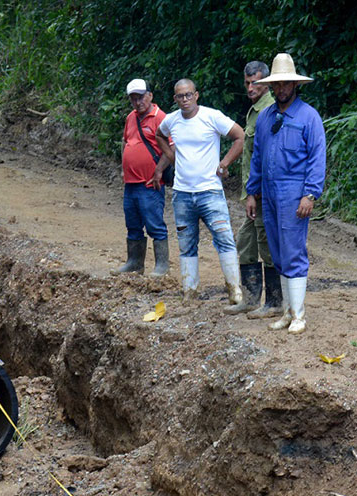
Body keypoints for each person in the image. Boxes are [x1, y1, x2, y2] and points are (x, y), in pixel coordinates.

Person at [245, 53, 326, 334]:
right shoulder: (266, 118)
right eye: (276, 85)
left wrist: (310, 195)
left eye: (286, 84)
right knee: (277, 251)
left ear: (295, 85)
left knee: (293, 250)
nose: (281, 89)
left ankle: (299, 315)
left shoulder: (308, 117)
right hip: (268, 191)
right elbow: (257, 157)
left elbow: (317, 159)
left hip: (294, 191)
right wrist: (251, 192)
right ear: (271, 87)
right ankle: (287, 312)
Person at [153, 78, 246, 306]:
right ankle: (189, 291)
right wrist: (174, 158)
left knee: (224, 239)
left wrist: (224, 163)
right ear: (175, 99)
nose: (184, 100)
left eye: (188, 95)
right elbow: (159, 135)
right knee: (186, 242)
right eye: (180, 96)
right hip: (182, 193)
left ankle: (235, 290)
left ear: (196, 95)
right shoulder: (172, 120)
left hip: (210, 191)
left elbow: (240, 136)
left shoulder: (211, 116)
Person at [225, 60, 279, 317]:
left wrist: (256, 193)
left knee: (266, 245)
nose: (250, 87)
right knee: (246, 242)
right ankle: (250, 298)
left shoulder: (269, 110)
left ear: (265, 83)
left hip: (263, 193)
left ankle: (275, 302)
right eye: (247, 83)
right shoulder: (255, 111)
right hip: (252, 192)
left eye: (255, 82)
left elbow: (265, 156)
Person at [114, 78, 170, 277]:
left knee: (155, 224)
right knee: (133, 224)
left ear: (150, 95)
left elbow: (171, 148)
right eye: (133, 99)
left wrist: (159, 171)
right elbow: (125, 141)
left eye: (141, 97)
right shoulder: (131, 117)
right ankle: (135, 262)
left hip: (150, 183)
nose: (138, 102)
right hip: (131, 182)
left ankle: (162, 265)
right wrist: (123, 168)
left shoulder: (160, 117)